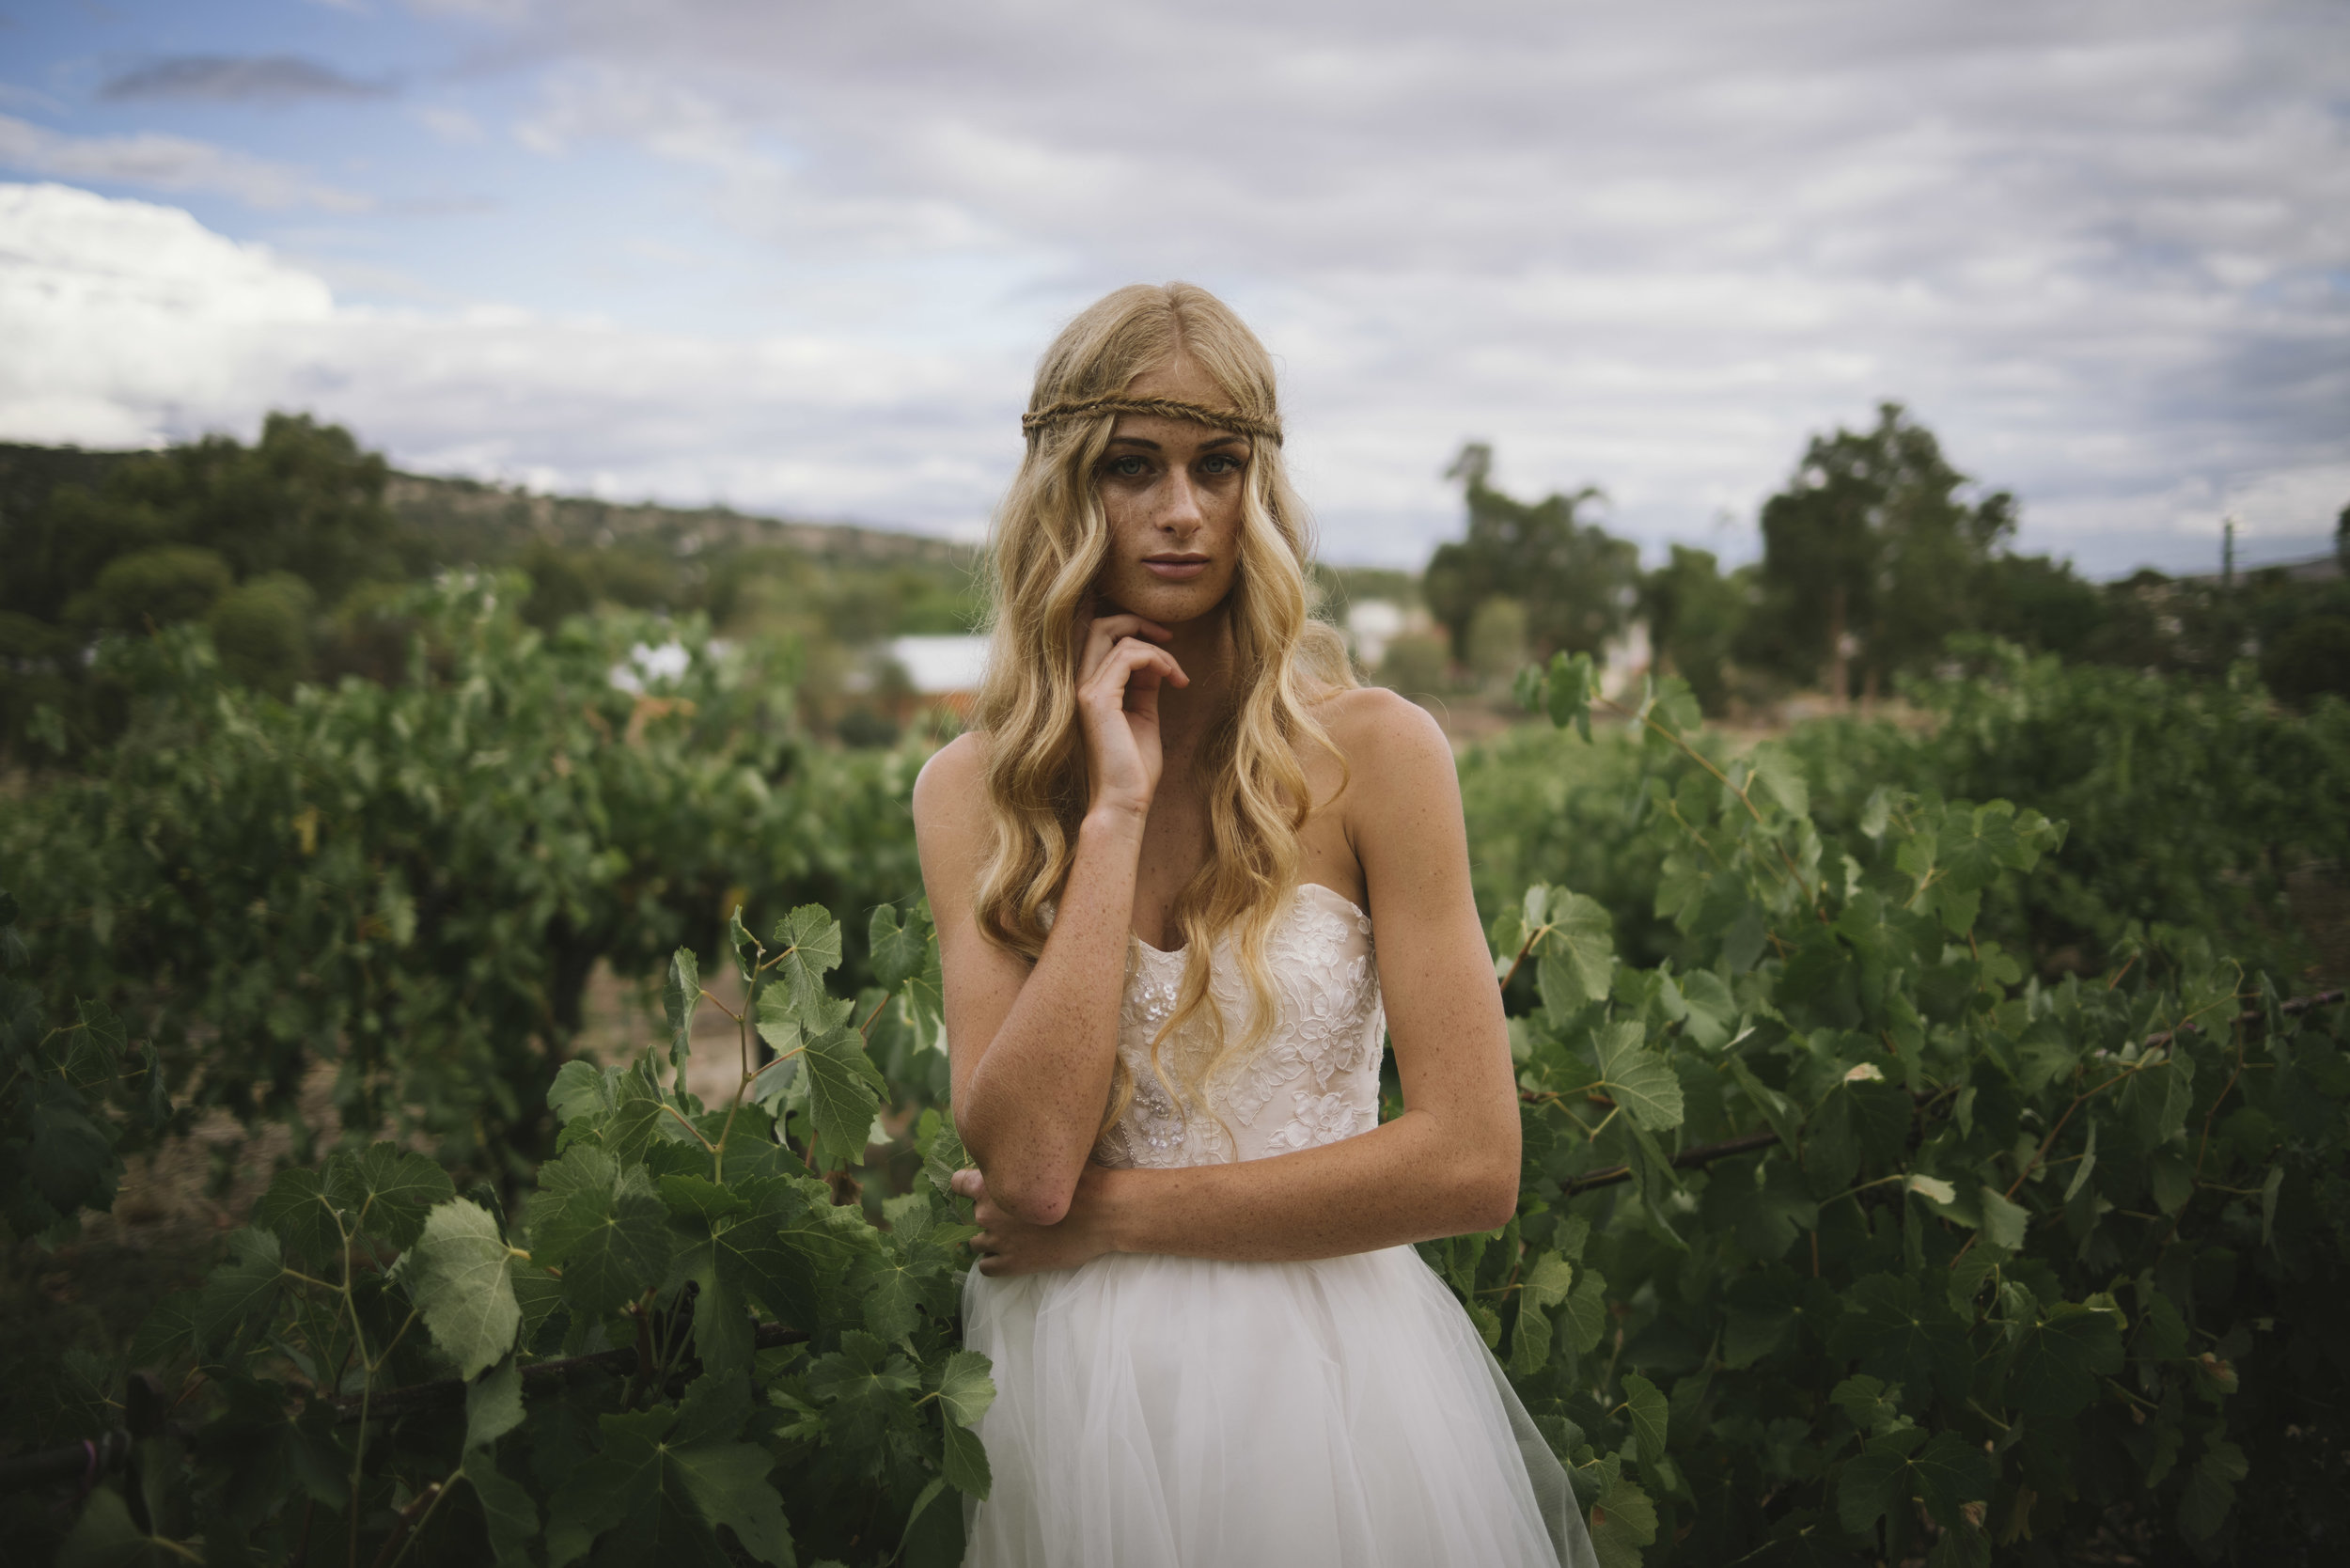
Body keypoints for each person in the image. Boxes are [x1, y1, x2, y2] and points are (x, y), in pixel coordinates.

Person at [913, 282, 1597, 1568]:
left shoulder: (1379, 756)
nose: (1181, 509)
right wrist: (1111, 813)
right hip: (1076, 1394)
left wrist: (1120, 1223)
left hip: (1333, 1388)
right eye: (1133, 467)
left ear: (1260, 489)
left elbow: (1472, 1163)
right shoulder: (975, 792)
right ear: (1066, 492)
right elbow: (1027, 1172)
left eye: (1218, 465)